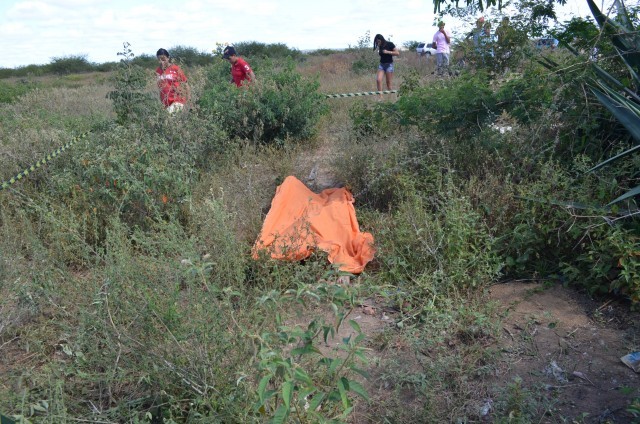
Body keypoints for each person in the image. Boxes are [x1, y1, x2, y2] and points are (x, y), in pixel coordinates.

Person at [155, 48, 190, 113]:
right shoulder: (158, 71)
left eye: (163, 59)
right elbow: (160, 89)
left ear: (168, 58)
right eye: (159, 60)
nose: (161, 62)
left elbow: (185, 84)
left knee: (169, 116)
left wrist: (188, 100)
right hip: (166, 103)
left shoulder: (175, 68)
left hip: (177, 100)